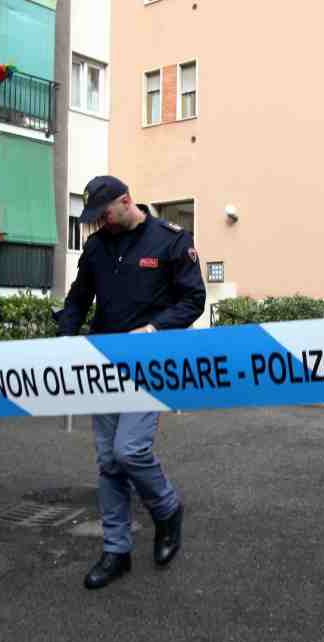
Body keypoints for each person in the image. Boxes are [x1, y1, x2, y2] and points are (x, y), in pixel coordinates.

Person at [57, 175, 206, 590]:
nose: (99, 223)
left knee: (130, 450)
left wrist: (155, 330)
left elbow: (194, 300)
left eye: (104, 214)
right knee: (108, 461)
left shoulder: (171, 240)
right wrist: (63, 341)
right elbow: (77, 300)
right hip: (104, 365)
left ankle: (166, 509)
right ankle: (116, 550)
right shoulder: (96, 246)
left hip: (151, 364)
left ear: (126, 201)